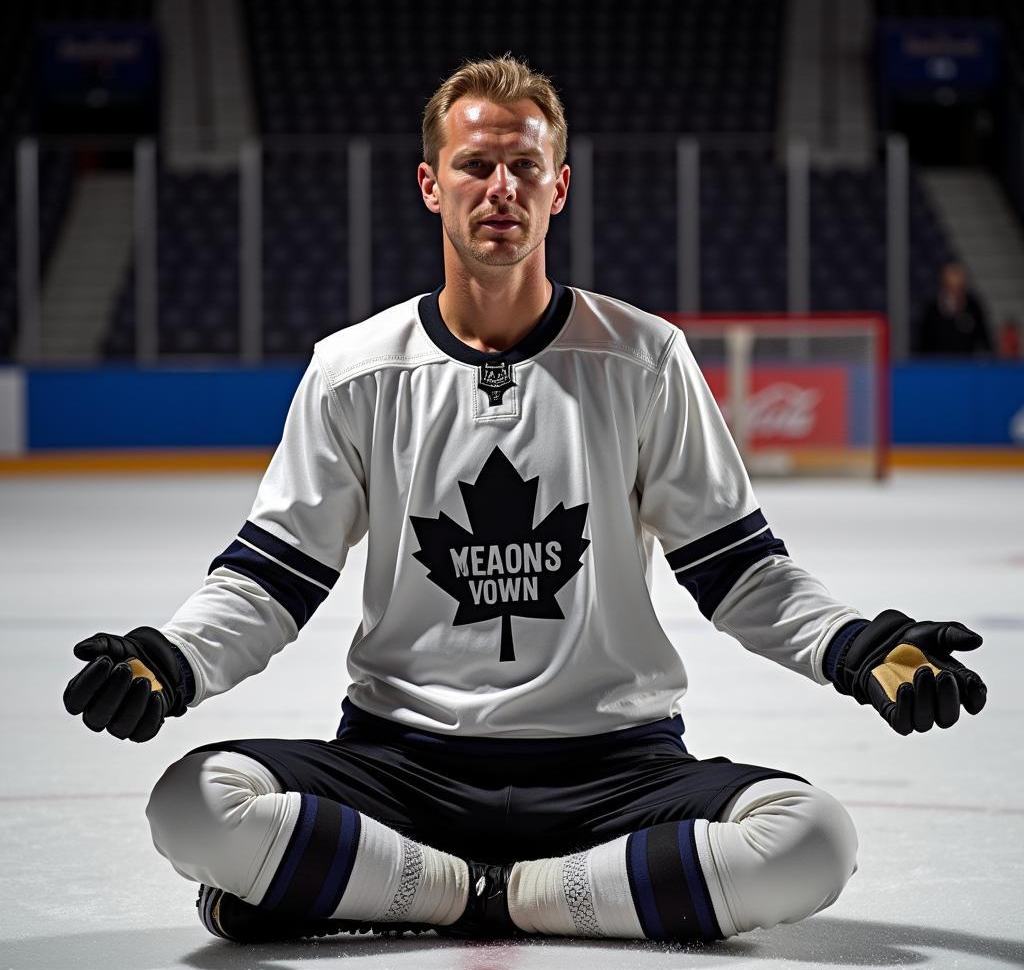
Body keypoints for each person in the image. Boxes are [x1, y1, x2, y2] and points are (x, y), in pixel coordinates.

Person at [64, 56, 988, 946]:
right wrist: (174, 658)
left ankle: (428, 893)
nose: (499, 186)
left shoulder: (643, 357)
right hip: (400, 765)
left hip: (615, 766)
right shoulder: (354, 371)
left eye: (524, 166)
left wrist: (854, 645)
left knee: (811, 839)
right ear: (432, 184)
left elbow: (740, 570)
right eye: (475, 164)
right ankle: (537, 895)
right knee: (190, 802)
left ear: (559, 188)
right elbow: (273, 577)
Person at [917, 261, 993, 356]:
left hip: (967, 364)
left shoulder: (973, 306)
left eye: (958, 275)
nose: (955, 280)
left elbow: (984, 338)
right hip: (938, 364)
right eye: (951, 276)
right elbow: (923, 341)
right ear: (943, 282)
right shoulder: (932, 308)